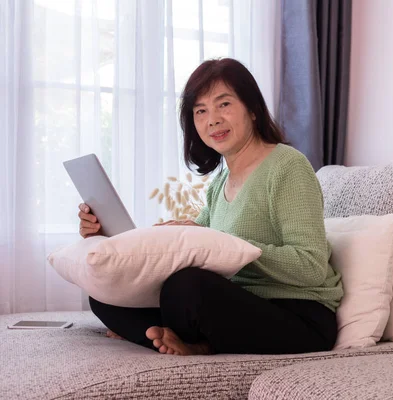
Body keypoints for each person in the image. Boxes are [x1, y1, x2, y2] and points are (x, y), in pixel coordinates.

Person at [77, 58, 343, 356]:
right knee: (105, 295)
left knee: (187, 287)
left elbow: (311, 267)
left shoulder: (288, 166)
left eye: (224, 104)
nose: (212, 119)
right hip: (237, 307)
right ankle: (184, 339)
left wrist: (228, 245)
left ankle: (183, 340)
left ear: (253, 110)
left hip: (299, 316)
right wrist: (113, 239)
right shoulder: (219, 184)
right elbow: (203, 249)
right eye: (200, 111)